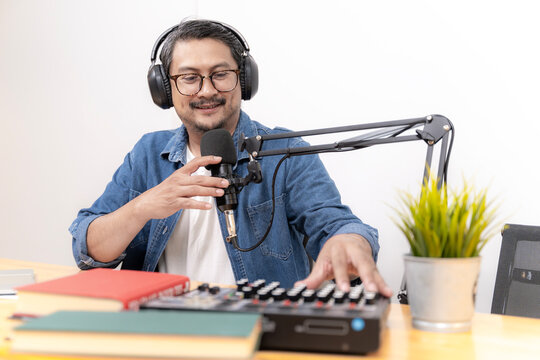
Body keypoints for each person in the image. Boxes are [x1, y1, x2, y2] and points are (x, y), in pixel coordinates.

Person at [70, 19, 392, 296]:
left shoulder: (285, 152)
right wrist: (141, 208)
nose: (207, 90)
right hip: (158, 333)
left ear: (244, 79)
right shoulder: (147, 155)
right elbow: (87, 250)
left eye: (220, 74)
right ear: (165, 90)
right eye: (189, 77)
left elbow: (337, 225)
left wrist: (350, 243)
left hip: (256, 332)